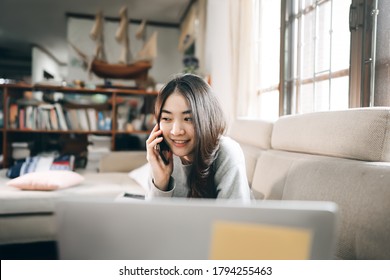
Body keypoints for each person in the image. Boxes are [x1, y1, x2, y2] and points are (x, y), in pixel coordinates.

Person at [146, 73, 251, 200]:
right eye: (167, 118)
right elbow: (152, 218)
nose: (176, 131)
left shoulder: (227, 152)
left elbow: (233, 218)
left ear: (206, 119)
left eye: (188, 119)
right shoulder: (163, 155)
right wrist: (160, 183)